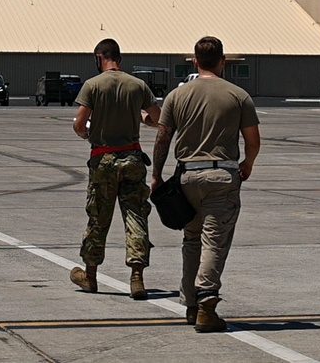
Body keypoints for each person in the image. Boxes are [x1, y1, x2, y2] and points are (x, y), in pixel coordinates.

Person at [152, 36, 260, 333]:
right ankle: (207, 304)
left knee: (191, 239)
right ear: (223, 61)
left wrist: (156, 175)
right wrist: (248, 163)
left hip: (187, 177)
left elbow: (163, 138)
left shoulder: (177, 96)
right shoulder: (238, 95)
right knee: (214, 240)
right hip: (221, 177)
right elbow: (253, 140)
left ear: (195, 61)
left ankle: (190, 304)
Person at [70, 38, 161, 300]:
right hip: (132, 158)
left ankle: (90, 275)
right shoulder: (137, 85)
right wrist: (140, 117)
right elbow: (157, 118)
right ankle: (137, 278)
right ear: (119, 58)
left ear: (100, 58)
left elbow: (80, 125)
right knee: (135, 216)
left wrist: (88, 134)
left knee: (99, 217)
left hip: (104, 160)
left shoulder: (93, 85)